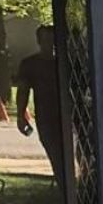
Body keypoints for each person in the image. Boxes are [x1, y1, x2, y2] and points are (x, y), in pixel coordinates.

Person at [16, 25, 66, 189]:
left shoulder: (64, 62)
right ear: (39, 41)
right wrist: (20, 115)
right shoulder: (30, 65)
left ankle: (73, 192)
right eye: (45, 40)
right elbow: (23, 90)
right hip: (46, 118)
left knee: (68, 156)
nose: (49, 44)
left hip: (66, 117)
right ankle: (65, 191)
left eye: (52, 40)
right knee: (56, 157)